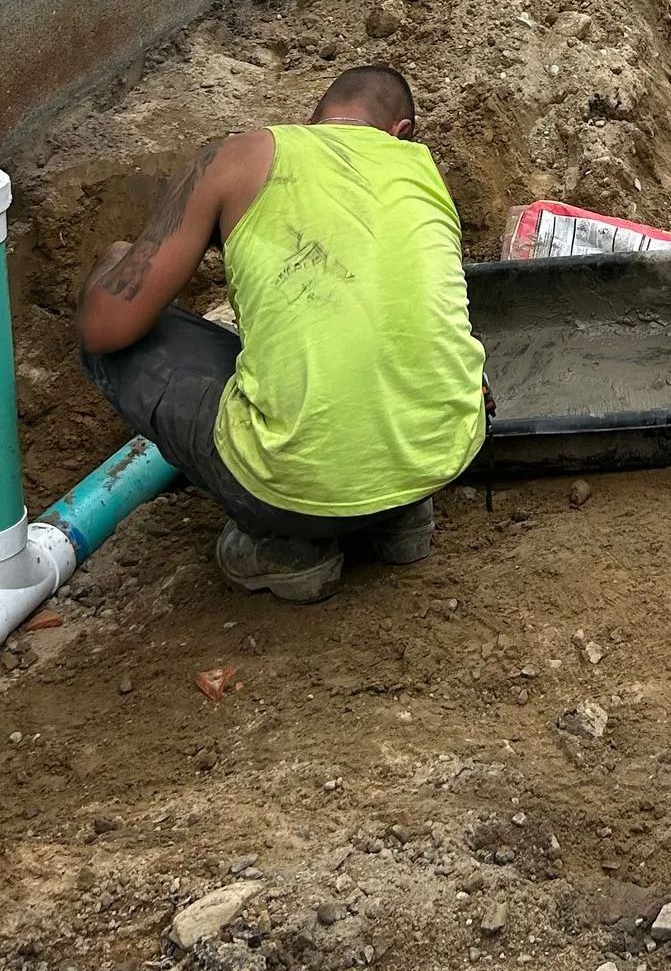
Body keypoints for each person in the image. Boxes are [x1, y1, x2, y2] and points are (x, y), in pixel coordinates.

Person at [77, 65, 487, 602]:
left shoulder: (238, 156)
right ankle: (400, 518)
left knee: (112, 333)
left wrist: (113, 266)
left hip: (297, 489)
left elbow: (108, 327)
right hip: (439, 459)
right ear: (401, 132)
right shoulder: (422, 173)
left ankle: (289, 544)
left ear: (309, 122)